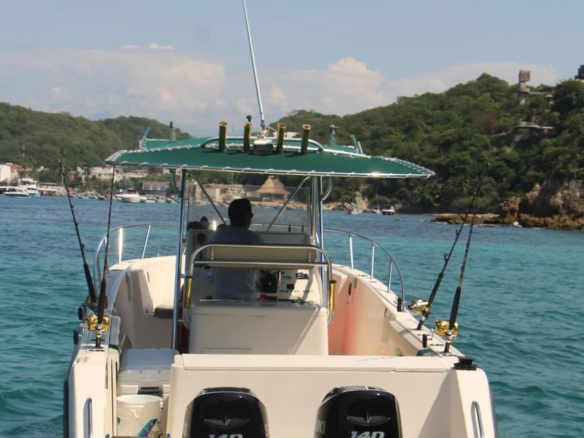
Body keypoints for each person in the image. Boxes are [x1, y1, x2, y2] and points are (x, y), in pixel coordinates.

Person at [208, 199, 263, 300]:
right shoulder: (254, 239)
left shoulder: (216, 236)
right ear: (247, 216)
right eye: (251, 215)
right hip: (247, 297)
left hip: (220, 296)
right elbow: (264, 267)